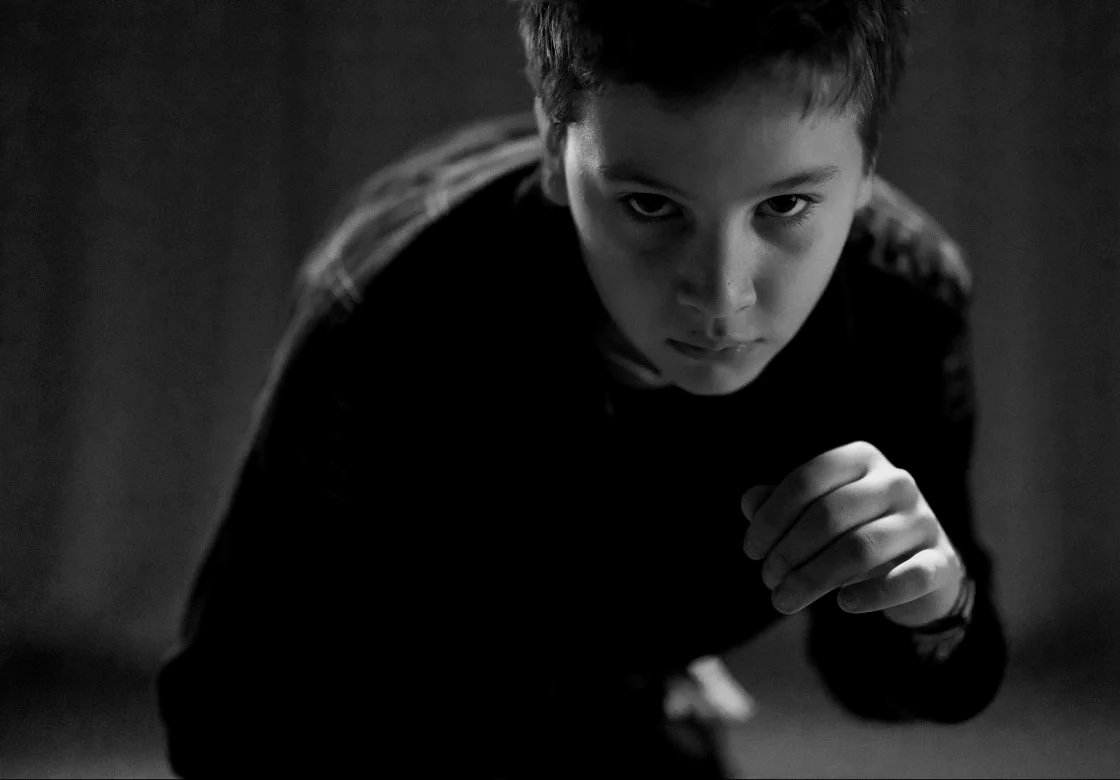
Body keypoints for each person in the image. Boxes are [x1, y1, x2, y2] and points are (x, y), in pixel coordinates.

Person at [157, 0, 1007, 775]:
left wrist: (933, 608)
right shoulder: (393, 313)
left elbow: (895, 683)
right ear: (554, 151)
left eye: (784, 207)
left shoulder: (903, 302)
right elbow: (229, 709)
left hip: (636, 709)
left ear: (866, 174)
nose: (720, 296)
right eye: (649, 206)